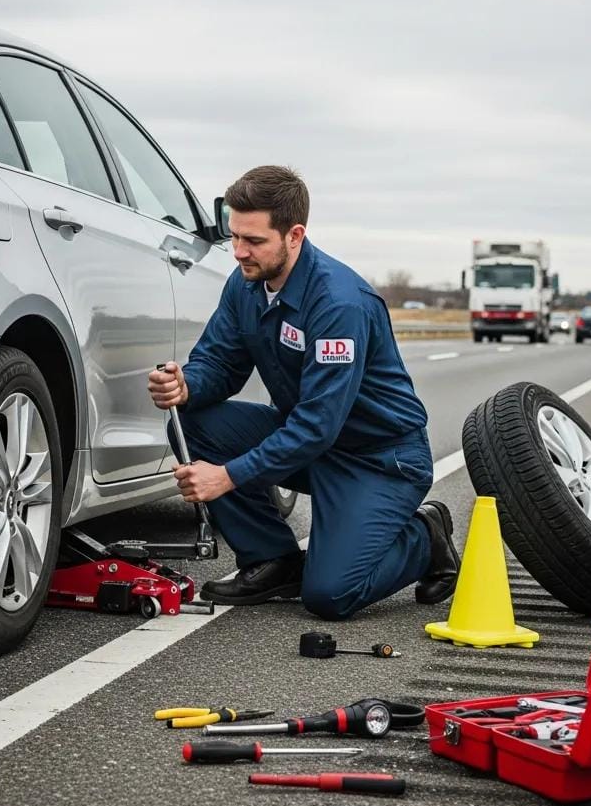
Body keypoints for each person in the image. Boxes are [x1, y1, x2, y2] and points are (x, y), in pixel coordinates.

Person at [146, 165, 459, 619]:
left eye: (253, 241)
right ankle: (273, 560)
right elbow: (220, 363)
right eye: (234, 236)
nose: (238, 252)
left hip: (379, 461)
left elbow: (317, 425)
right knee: (193, 420)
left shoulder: (339, 303)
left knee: (330, 596)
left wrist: (226, 476)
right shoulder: (246, 284)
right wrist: (186, 384)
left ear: (294, 235)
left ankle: (423, 537)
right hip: (314, 444)